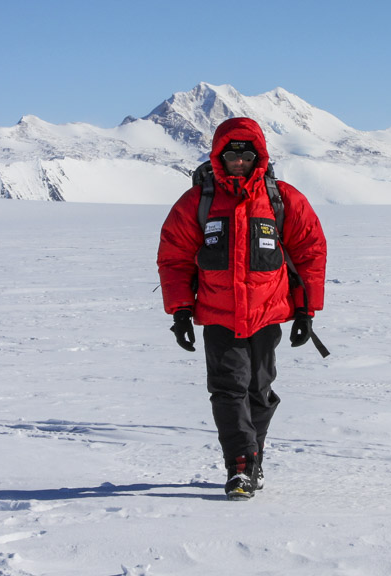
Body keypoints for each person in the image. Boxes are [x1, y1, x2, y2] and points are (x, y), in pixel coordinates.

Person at [157, 117, 327, 500]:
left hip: (267, 314)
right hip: (218, 315)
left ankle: (254, 459)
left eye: (246, 153)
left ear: (257, 156)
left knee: (259, 391)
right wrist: (181, 311)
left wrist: (306, 311)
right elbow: (174, 257)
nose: (239, 160)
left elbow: (310, 252)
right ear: (219, 155)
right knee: (227, 389)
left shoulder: (282, 199)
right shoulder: (197, 202)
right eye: (231, 153)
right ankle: (240, 466)